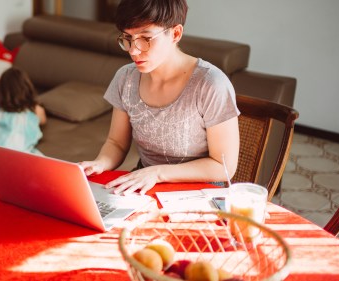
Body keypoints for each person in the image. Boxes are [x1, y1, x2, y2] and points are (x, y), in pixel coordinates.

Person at [80, 0, 240, 195]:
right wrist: (100, 163)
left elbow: (223, 167)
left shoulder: (210, 84)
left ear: (175, 33)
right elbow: (116, 143)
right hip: (146, 182)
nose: (133, 50)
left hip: (200, 191)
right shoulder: (126, 78)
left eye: (145, 38)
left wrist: (157, 173)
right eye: (128, 38)